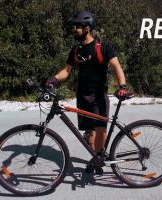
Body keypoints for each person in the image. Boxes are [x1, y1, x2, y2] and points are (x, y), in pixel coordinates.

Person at [46, 11, 128, 173]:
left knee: (100, 129)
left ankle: (100, 155)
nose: (74, 30)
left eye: (77, 27)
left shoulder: (102, 47)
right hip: (82, 96)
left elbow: (116, 66)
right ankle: (95, 157)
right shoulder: (76, 51)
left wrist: (122, 86)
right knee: (88, 132)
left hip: (99, 96)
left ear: (87, 28)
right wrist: (52, 80)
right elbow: (67, 70)